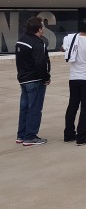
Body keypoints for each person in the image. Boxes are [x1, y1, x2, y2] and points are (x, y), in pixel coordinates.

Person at [15, 16, 51, 146]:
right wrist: (46, 77)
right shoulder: (38, 43)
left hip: (23, 79)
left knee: (24, 108)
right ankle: (30, 137)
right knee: (35, 108)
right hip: (35, 80)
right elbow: (40, 63)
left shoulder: (21, 41)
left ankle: (21, 135)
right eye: (43, 26)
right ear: (39, 29)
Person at [64, 18, 86, 145]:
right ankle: (81, 135)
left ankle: (68, 133)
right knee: (85, 107)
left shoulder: (70, 38)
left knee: (72, 105)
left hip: (73, 77)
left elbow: (64, 49)